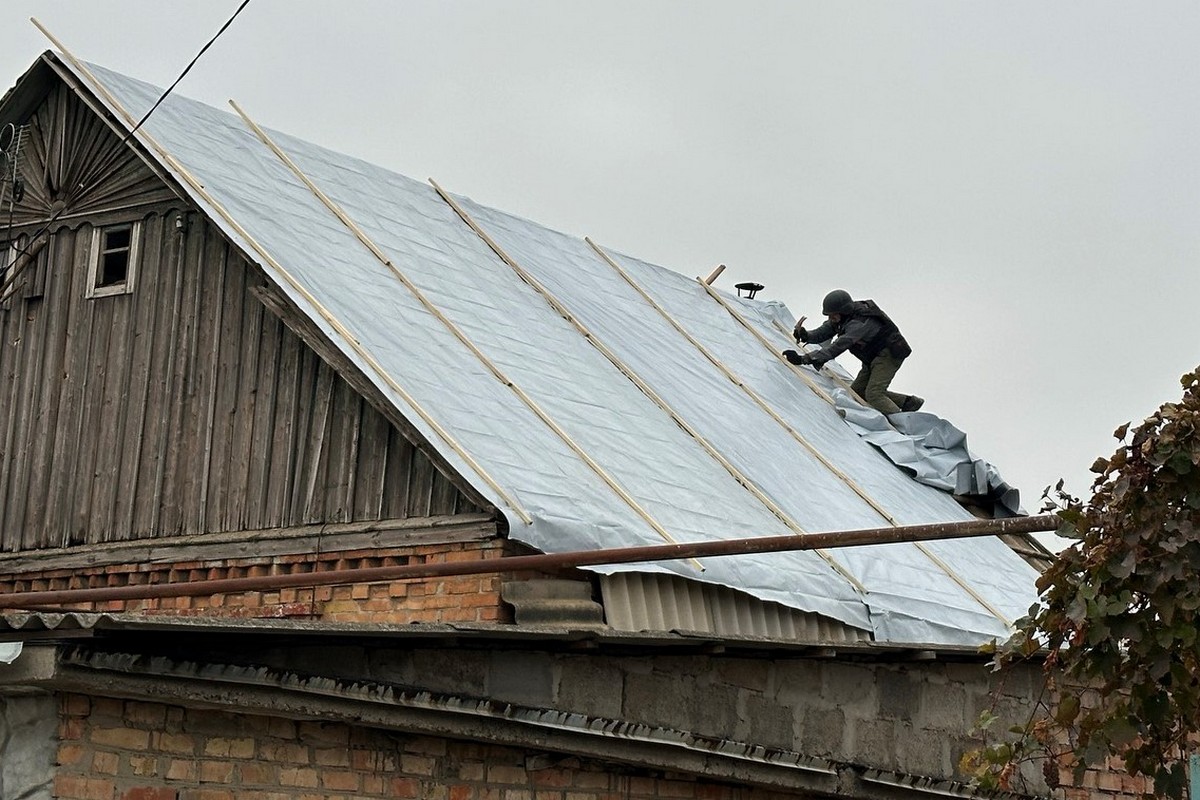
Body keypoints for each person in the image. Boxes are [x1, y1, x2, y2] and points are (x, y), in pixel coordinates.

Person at [782, 289, 924, 416]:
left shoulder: (859, 323)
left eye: (832, 315)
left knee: (874, 394)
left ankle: (905, 421)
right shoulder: (842, 319)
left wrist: (803, 359)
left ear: (842, 312)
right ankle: (908, 403)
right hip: (872, 357)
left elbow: (836, 347)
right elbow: (824, 331)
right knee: (857, 393)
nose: (830, 319)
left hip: (888, 356)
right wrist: (805, 335)